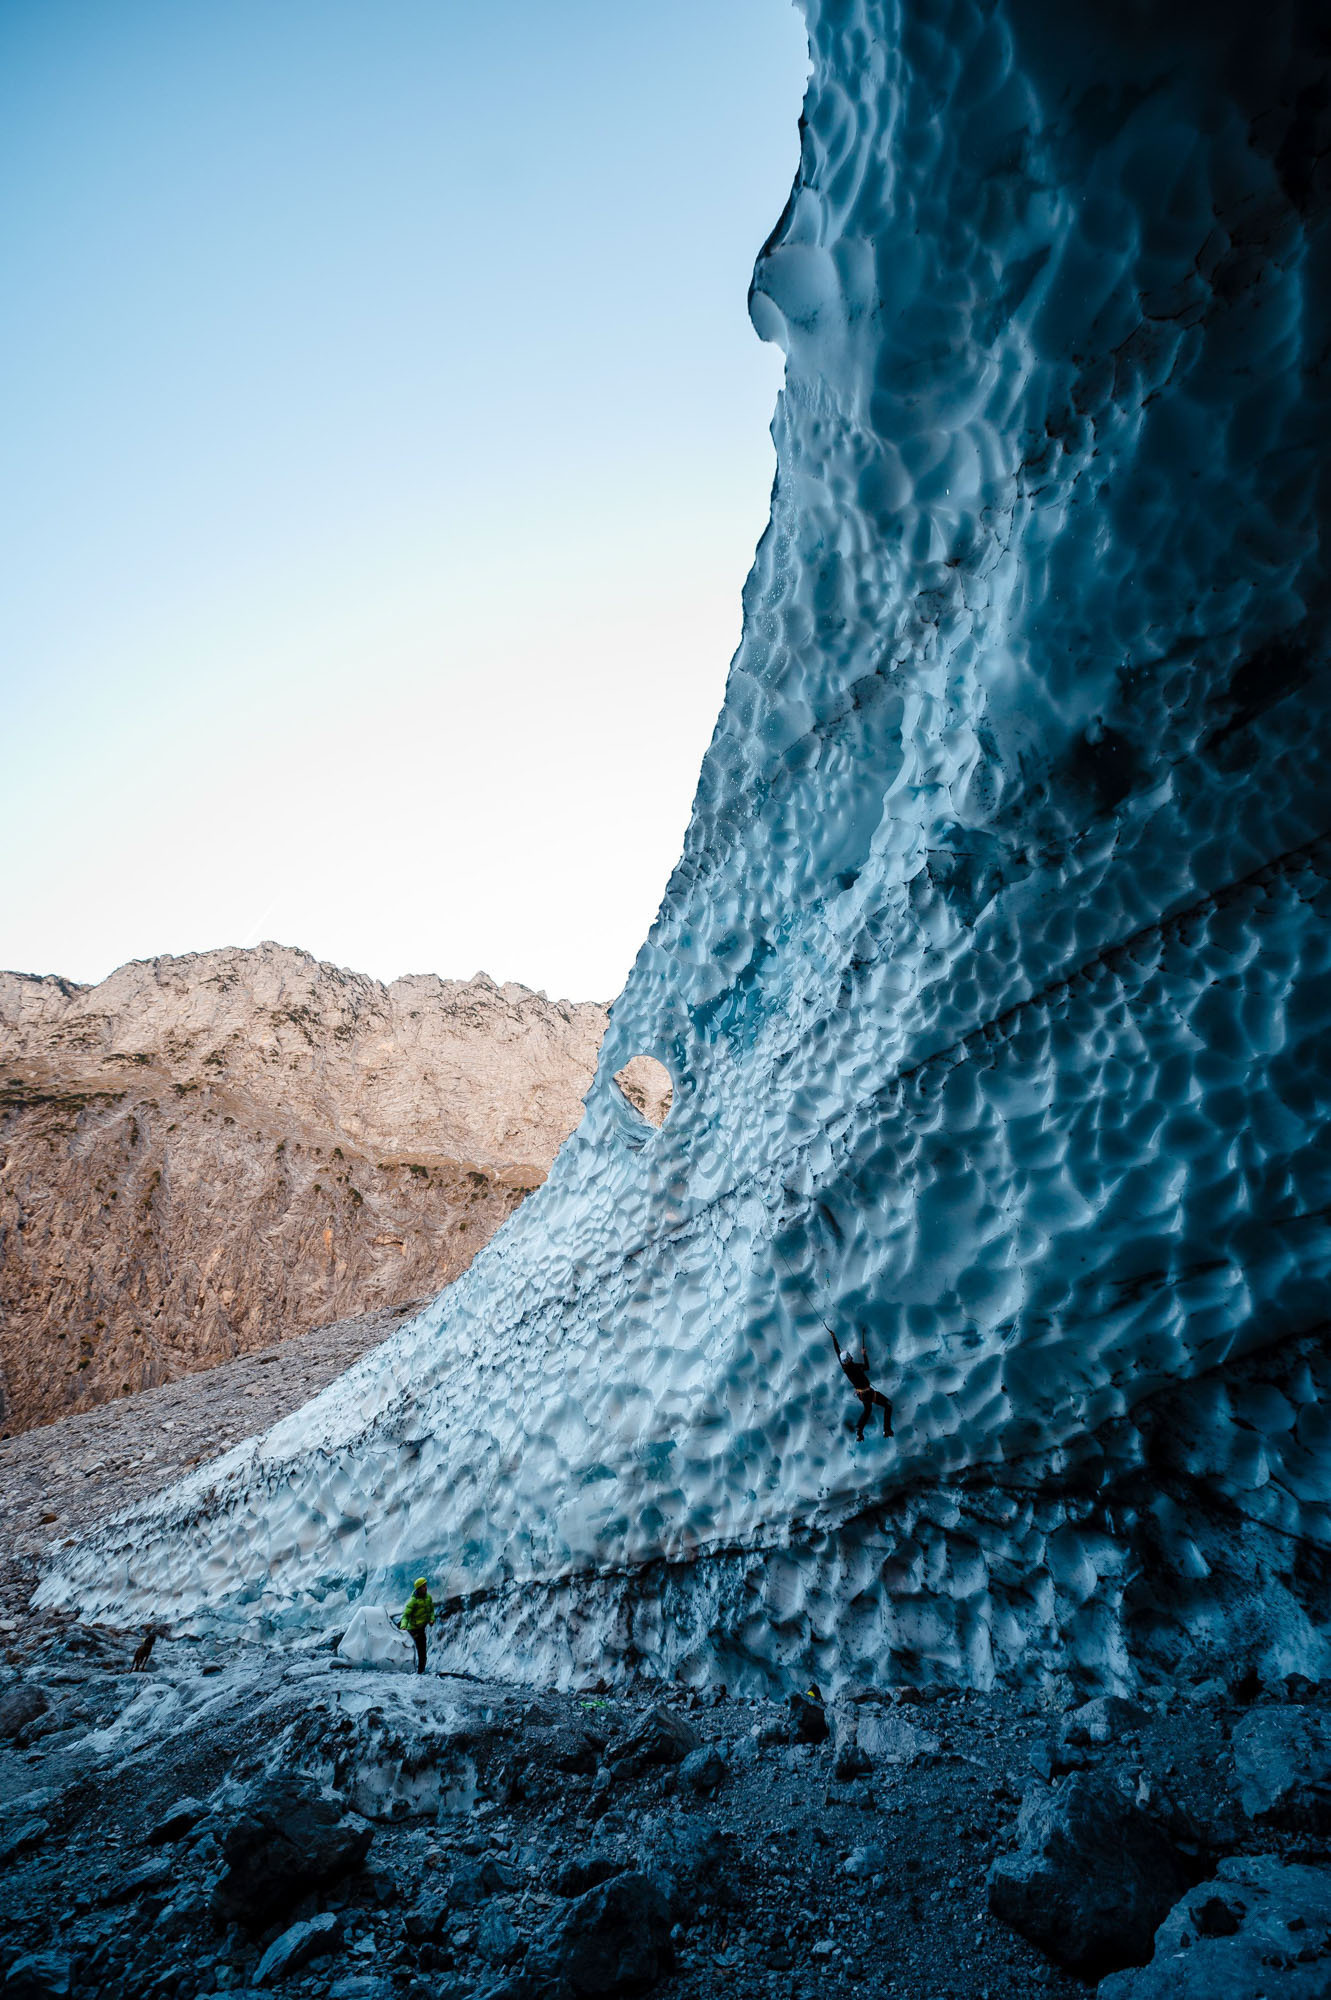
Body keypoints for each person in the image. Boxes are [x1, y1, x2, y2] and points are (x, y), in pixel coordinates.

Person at [829, 1329, 893, 1440]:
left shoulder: (845, 1368)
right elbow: (867, 1367)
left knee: (867, 1410)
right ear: (849, 1358)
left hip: (862, 1395)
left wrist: (834, 1338)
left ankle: (859, 1431)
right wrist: (864, 1354)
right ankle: (886, 1429)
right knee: (888, 1405)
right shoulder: (856, 1367)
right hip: (868, 1393)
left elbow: (837, 1352)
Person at [399, 1577, 435, 1674]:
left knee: (422, 1653)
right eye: (423, 1586)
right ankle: (409, 1670)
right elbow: (406, 1616)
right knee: (412, 1652)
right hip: (413, 1631)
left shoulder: (428, 1598)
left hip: (421, 1630)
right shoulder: (413, 1602)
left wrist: (432, 1619)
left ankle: (420, 1672)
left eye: (425, 1585)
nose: (426, 1588)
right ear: (418, 1589)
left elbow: (431, 1611)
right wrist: (403, 1626)